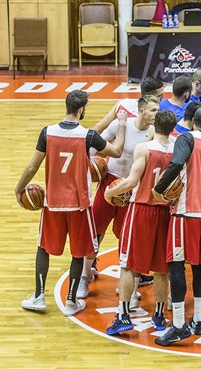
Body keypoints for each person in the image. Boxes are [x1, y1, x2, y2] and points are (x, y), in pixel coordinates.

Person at [16, 90, 126, 316]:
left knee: (43, 247)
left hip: (53, 202)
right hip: (79, 204)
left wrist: (19, 189)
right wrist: (122, 127)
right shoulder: (87, 136)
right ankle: (70, 302)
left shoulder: (47, 132)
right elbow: (115, 151)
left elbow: (31, 167)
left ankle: (38, 297)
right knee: (79, 251)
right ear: (82, 109)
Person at [153, 107, 201, 346]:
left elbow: (176, 164)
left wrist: (158, 189)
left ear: (193, 121)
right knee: (199, 267)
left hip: (186, 211)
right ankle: (197, 320)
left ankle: (178, 325)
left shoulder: (186, 138)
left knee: (176, 264)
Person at [103, 110, 177, 335]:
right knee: (162, 269)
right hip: (165, 212)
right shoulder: (179, 150)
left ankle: (123, 315)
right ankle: (159, 315)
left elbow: (132, 181)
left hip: (141, 210)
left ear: (156, 125)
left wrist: (110, 193)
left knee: (128, 264)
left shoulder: (144, 148)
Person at [78, 96, 158, 301]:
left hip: (132, 188)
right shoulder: (119, 124)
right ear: (141, 111)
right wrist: (94, 167)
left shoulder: (154, 133)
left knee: (129, 238)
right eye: (153, 110)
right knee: (95, 231)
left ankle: (128, 286)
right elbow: (93, 149)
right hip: (109, 182)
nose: (156, 114)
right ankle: (85, 276)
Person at [93, 77, 165, 134]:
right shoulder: (154, 115)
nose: (163, 97)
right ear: (150, 96)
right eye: (160, 95)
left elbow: (98, 128)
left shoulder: (123, 103)